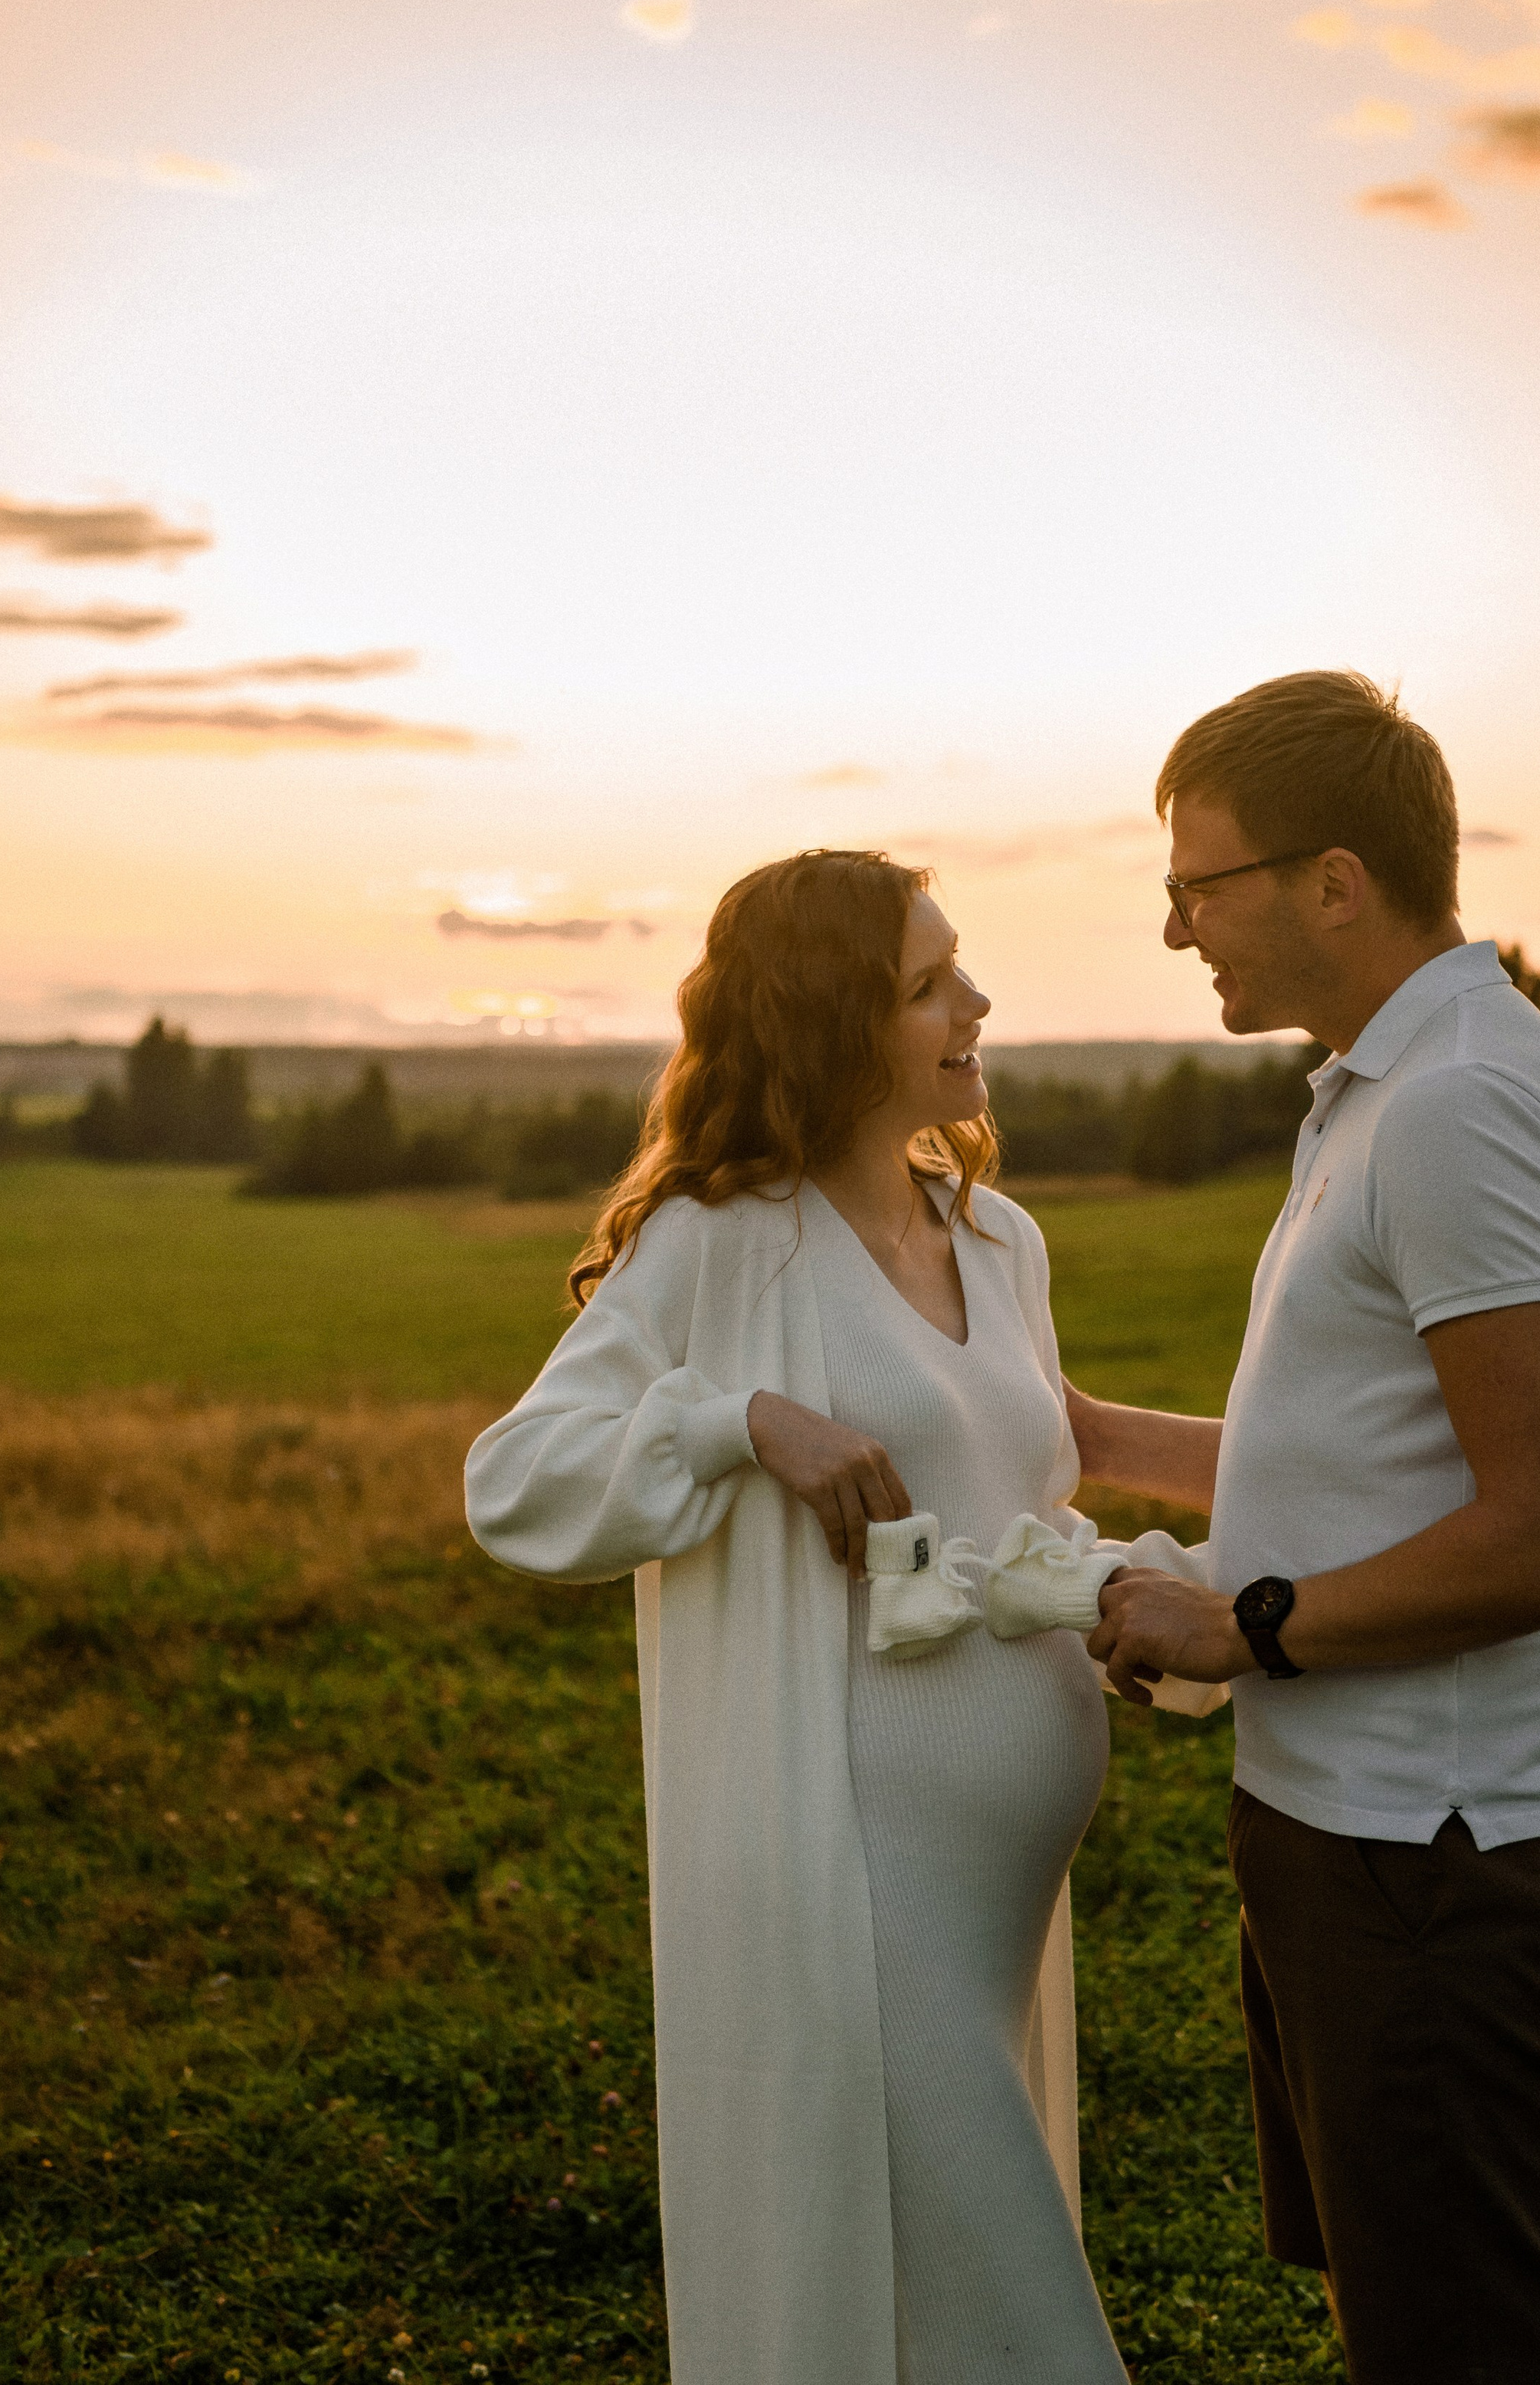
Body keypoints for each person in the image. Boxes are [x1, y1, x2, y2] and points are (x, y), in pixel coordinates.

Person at [464, 849, 1139, 2385]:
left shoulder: (997, 1240)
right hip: (849, 1891)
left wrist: (1115, 1584)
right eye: (927, 984)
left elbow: (1020, 1500)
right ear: (837, 1020)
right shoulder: (718, 1244)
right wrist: (735, 1422)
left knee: (935, 2322)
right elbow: (514, 1482)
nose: (975, 1002)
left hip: (994, 1904)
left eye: (960, 967)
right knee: (1024, 2338)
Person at [1072, 670, 1540, 2385]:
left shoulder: (1455, 1104)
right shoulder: (1380, 1087)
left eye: (1199, 885)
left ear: (1334, 879)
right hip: (1354, 1838)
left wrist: (1237, 1623)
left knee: (1460, 2346)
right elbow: (1381, 1449)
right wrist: (1093, 1439)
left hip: (1431, 1859)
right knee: (1398, 2319)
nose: (1173, 931)